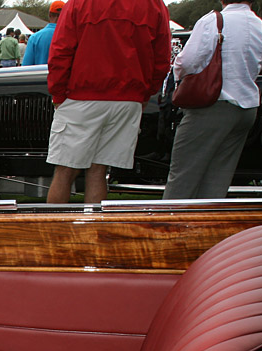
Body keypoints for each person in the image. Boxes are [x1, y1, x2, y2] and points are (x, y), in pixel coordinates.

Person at [45, 0, 171, 204]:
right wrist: (145, 93)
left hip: (83, 95)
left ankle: (54, 234)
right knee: (99, 169)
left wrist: (58, 94)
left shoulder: (79, 3)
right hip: (128, 98)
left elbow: (61, 50)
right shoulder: (154, 4)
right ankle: (93, 233)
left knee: (65, 170)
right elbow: (162, 58)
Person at [162, 0, 262, 199]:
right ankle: (206, 225)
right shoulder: (261, 25)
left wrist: (177, 74)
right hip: (246, 107)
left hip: (213, 104)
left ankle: (171, 227)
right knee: (217, 178)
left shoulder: (214, 20)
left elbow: (188, 61)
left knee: (183, 175)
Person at [23, 1, 65, 66]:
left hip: (40, 76)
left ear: (49, 15)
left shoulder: (34, 38)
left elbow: (26, 67)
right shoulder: (71, 37)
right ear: (66, 15)